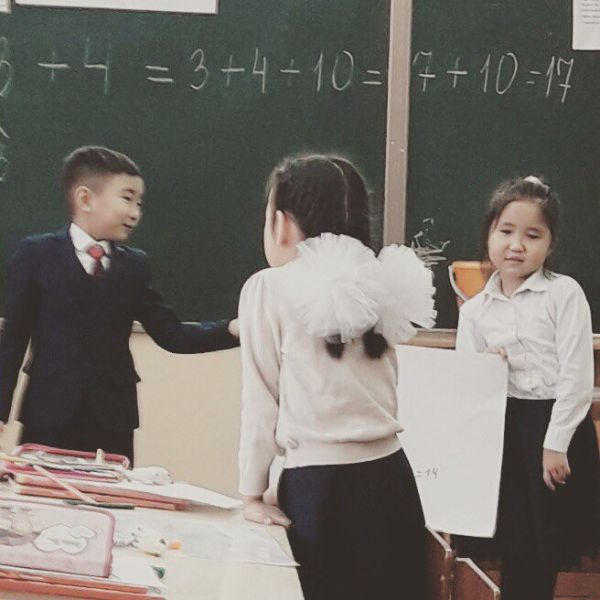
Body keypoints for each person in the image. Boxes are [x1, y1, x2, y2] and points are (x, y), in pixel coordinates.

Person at [237, 154, 436, 600]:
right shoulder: (383, 283)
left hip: (319, 490)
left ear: (281, 224)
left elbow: (260, 405)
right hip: (392, 479)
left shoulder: (268, 287)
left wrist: (251, 493)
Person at [0, 146, 239, 464]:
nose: (135, 213)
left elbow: (171, 334)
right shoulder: (36, 254)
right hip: (48, 415)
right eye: (127, 198)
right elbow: (12, 341)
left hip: (113, 421)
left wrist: (232, 330)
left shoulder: (135, 265)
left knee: (112, 491)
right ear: (85, 199)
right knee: (44, 492)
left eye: (139, 203)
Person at [456, 175, 600, 600]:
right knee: (513, 542)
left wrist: (555, 443)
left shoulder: (563, 294)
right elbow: (467, 385)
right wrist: (488, 367)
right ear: (488, 235)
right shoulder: (474, 311)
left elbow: (577, 376)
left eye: (532, 235)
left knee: (547, 543)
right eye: (505, 231)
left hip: (555, 427)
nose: (516, 245)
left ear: (550, 245)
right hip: (504, 431)